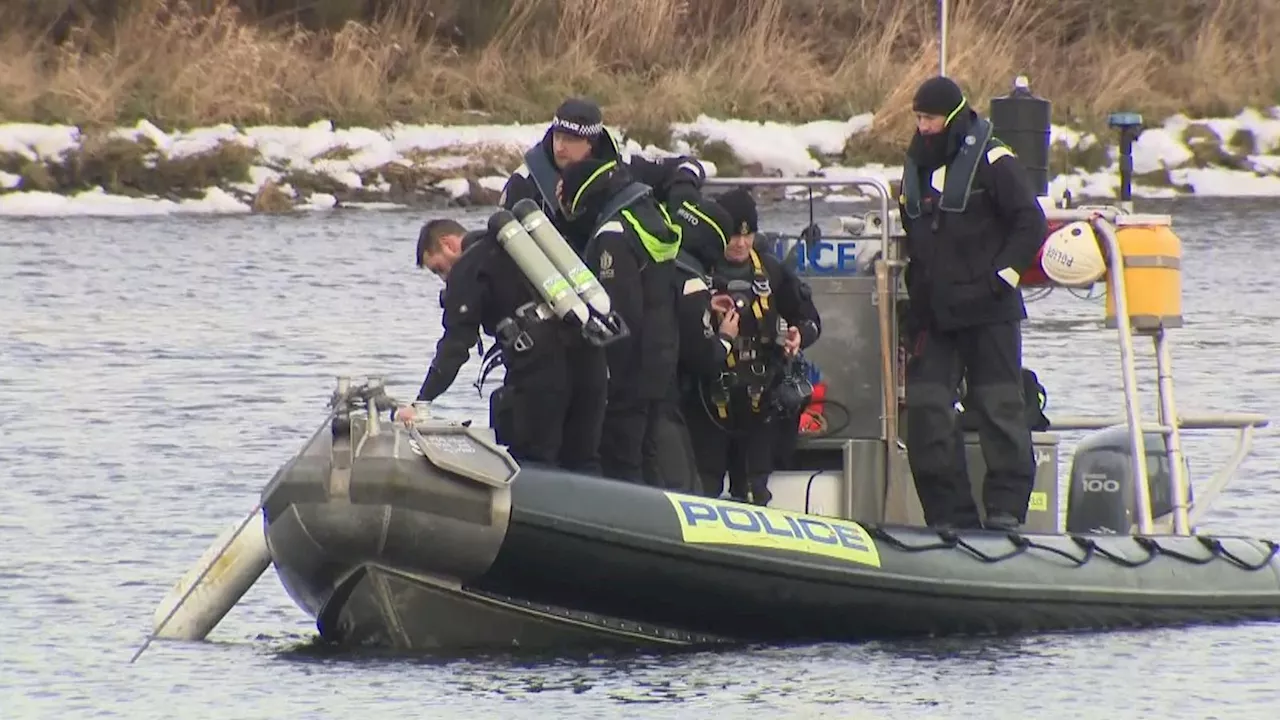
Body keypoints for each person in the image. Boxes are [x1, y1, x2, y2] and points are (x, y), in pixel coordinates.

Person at [896, 75, 1049, 531]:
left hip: (989, 307)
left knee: (1000, 407)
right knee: (925, 409)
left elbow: (1029, 221)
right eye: (919, 118)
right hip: (936, 314)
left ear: (953, 116)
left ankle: (1005, 510)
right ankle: (949, 514)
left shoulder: (995, 160)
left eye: (931, 119)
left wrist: (1003, 275)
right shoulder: (917, 167)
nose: (923, 127)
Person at [394, 218, 608, 473]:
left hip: (541, 369)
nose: (443, 278)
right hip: (590, 356)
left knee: (537, 460)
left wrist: (422, 400)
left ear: (448, 243)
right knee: (583, 458)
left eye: (438, 269)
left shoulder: (468, 267)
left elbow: (456, 345)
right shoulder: (526, 249)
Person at [684, 188, 822, 505]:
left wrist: (799, 335)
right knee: (704, 487)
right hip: (708, 401)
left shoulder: (771, 271)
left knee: (755, 489)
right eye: (734, 236)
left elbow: (810, 319)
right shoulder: (696, 271)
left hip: (761, 402)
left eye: (748, 235)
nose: (741, 243)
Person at [555, 157, 686, 486]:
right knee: (647, 451)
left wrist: (607, 372)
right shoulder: (646, 213)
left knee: (623, 456)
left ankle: (634, 525)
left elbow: (618, 310)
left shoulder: (612, 234)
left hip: (629, 368)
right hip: (660, 356)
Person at [500, 97, 707, 253]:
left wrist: (683, 195)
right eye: (558, 137)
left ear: (591, 143)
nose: (560, 147)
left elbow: (686, 165)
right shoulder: (526, 181)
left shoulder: (621, 167)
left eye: (571, 140)